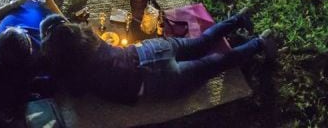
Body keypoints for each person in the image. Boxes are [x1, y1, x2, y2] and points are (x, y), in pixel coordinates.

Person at [40, 8, 275, 105]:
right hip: (149, 50)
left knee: (215, 64)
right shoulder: (88, 36)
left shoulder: (71, 75)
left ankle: (260, 43)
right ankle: (238, 19)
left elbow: (72, 93)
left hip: (155, 82)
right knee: (201, 43)